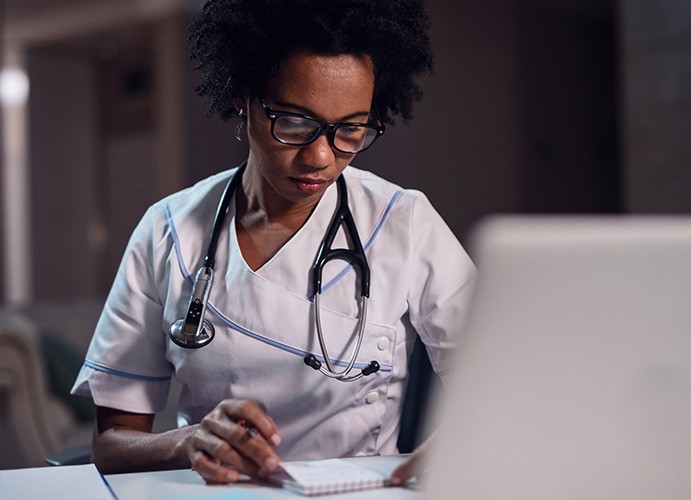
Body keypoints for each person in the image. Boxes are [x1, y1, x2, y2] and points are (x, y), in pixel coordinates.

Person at [71, 0, 476, 486]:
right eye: (295, 123)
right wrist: (190, 440)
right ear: (244, 99)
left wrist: (457, 445)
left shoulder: (404, 222)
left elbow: (506, 378)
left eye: (350, 129)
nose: (321, 156)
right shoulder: (169, 231)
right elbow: (113, 441)